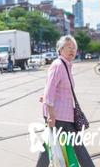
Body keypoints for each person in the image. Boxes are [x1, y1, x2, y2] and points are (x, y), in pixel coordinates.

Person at [36, 35, 94, 167]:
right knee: (74, 146)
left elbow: (54, 89)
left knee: (50, 146)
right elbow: (49, 91)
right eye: (69, 47)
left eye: (74, 48)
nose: (72, 50)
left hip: (65, 115)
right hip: (57, 116)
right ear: (60, 49)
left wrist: (45, 98)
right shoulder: (58, 65)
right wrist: (51, 115)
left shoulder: (66, 65)